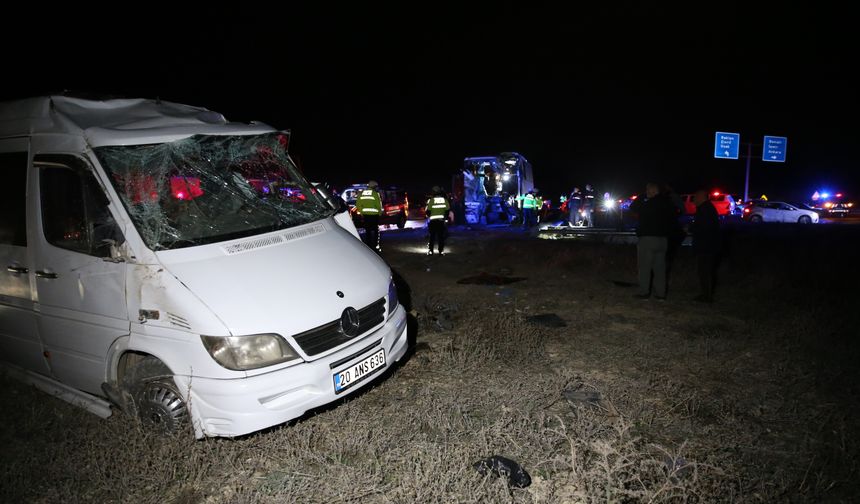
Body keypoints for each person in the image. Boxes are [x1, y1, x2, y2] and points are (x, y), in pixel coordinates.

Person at [630, 182, 678, 300]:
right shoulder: (668, 203)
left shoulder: (648, 204)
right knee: (660, 268)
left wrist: (642, 196)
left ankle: (644, 292)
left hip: (648, 238)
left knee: (645, 267)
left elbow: (633, 207)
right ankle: (660, 293)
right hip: (663, 240)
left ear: (651, 191)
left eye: (647, 191)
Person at [690, 190, 721, 302]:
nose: (693, 200)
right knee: (705, 271)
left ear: (701, 197)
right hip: (708, 245)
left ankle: (706, 296)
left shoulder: (704, 210)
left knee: (705, 271)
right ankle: (706, 294)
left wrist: (690, 228)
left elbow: (702, 227)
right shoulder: (707, 208)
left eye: (695, 197)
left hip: (706, 246)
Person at [356, 180, 383, 251]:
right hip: (374, 215)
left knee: (368, 231)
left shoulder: (361, 193)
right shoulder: (375, 194)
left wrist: (362, 212)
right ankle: (376, 246)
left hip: (366, 215)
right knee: (376, 231)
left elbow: (358, 205)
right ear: (374, 187)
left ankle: (368, 246)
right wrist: (379, 213)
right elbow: (378, 205)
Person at [425, 186, 451, 255]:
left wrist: (430, 216)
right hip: (441, 222)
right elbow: (447, 211)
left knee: (432, 237)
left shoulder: (431, 201)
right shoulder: (445, 200)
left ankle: (430, 251)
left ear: (433, 193)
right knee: (441, 237)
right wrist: (445, 218)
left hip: (433, 222)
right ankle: (441, 251)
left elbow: (427, 212)